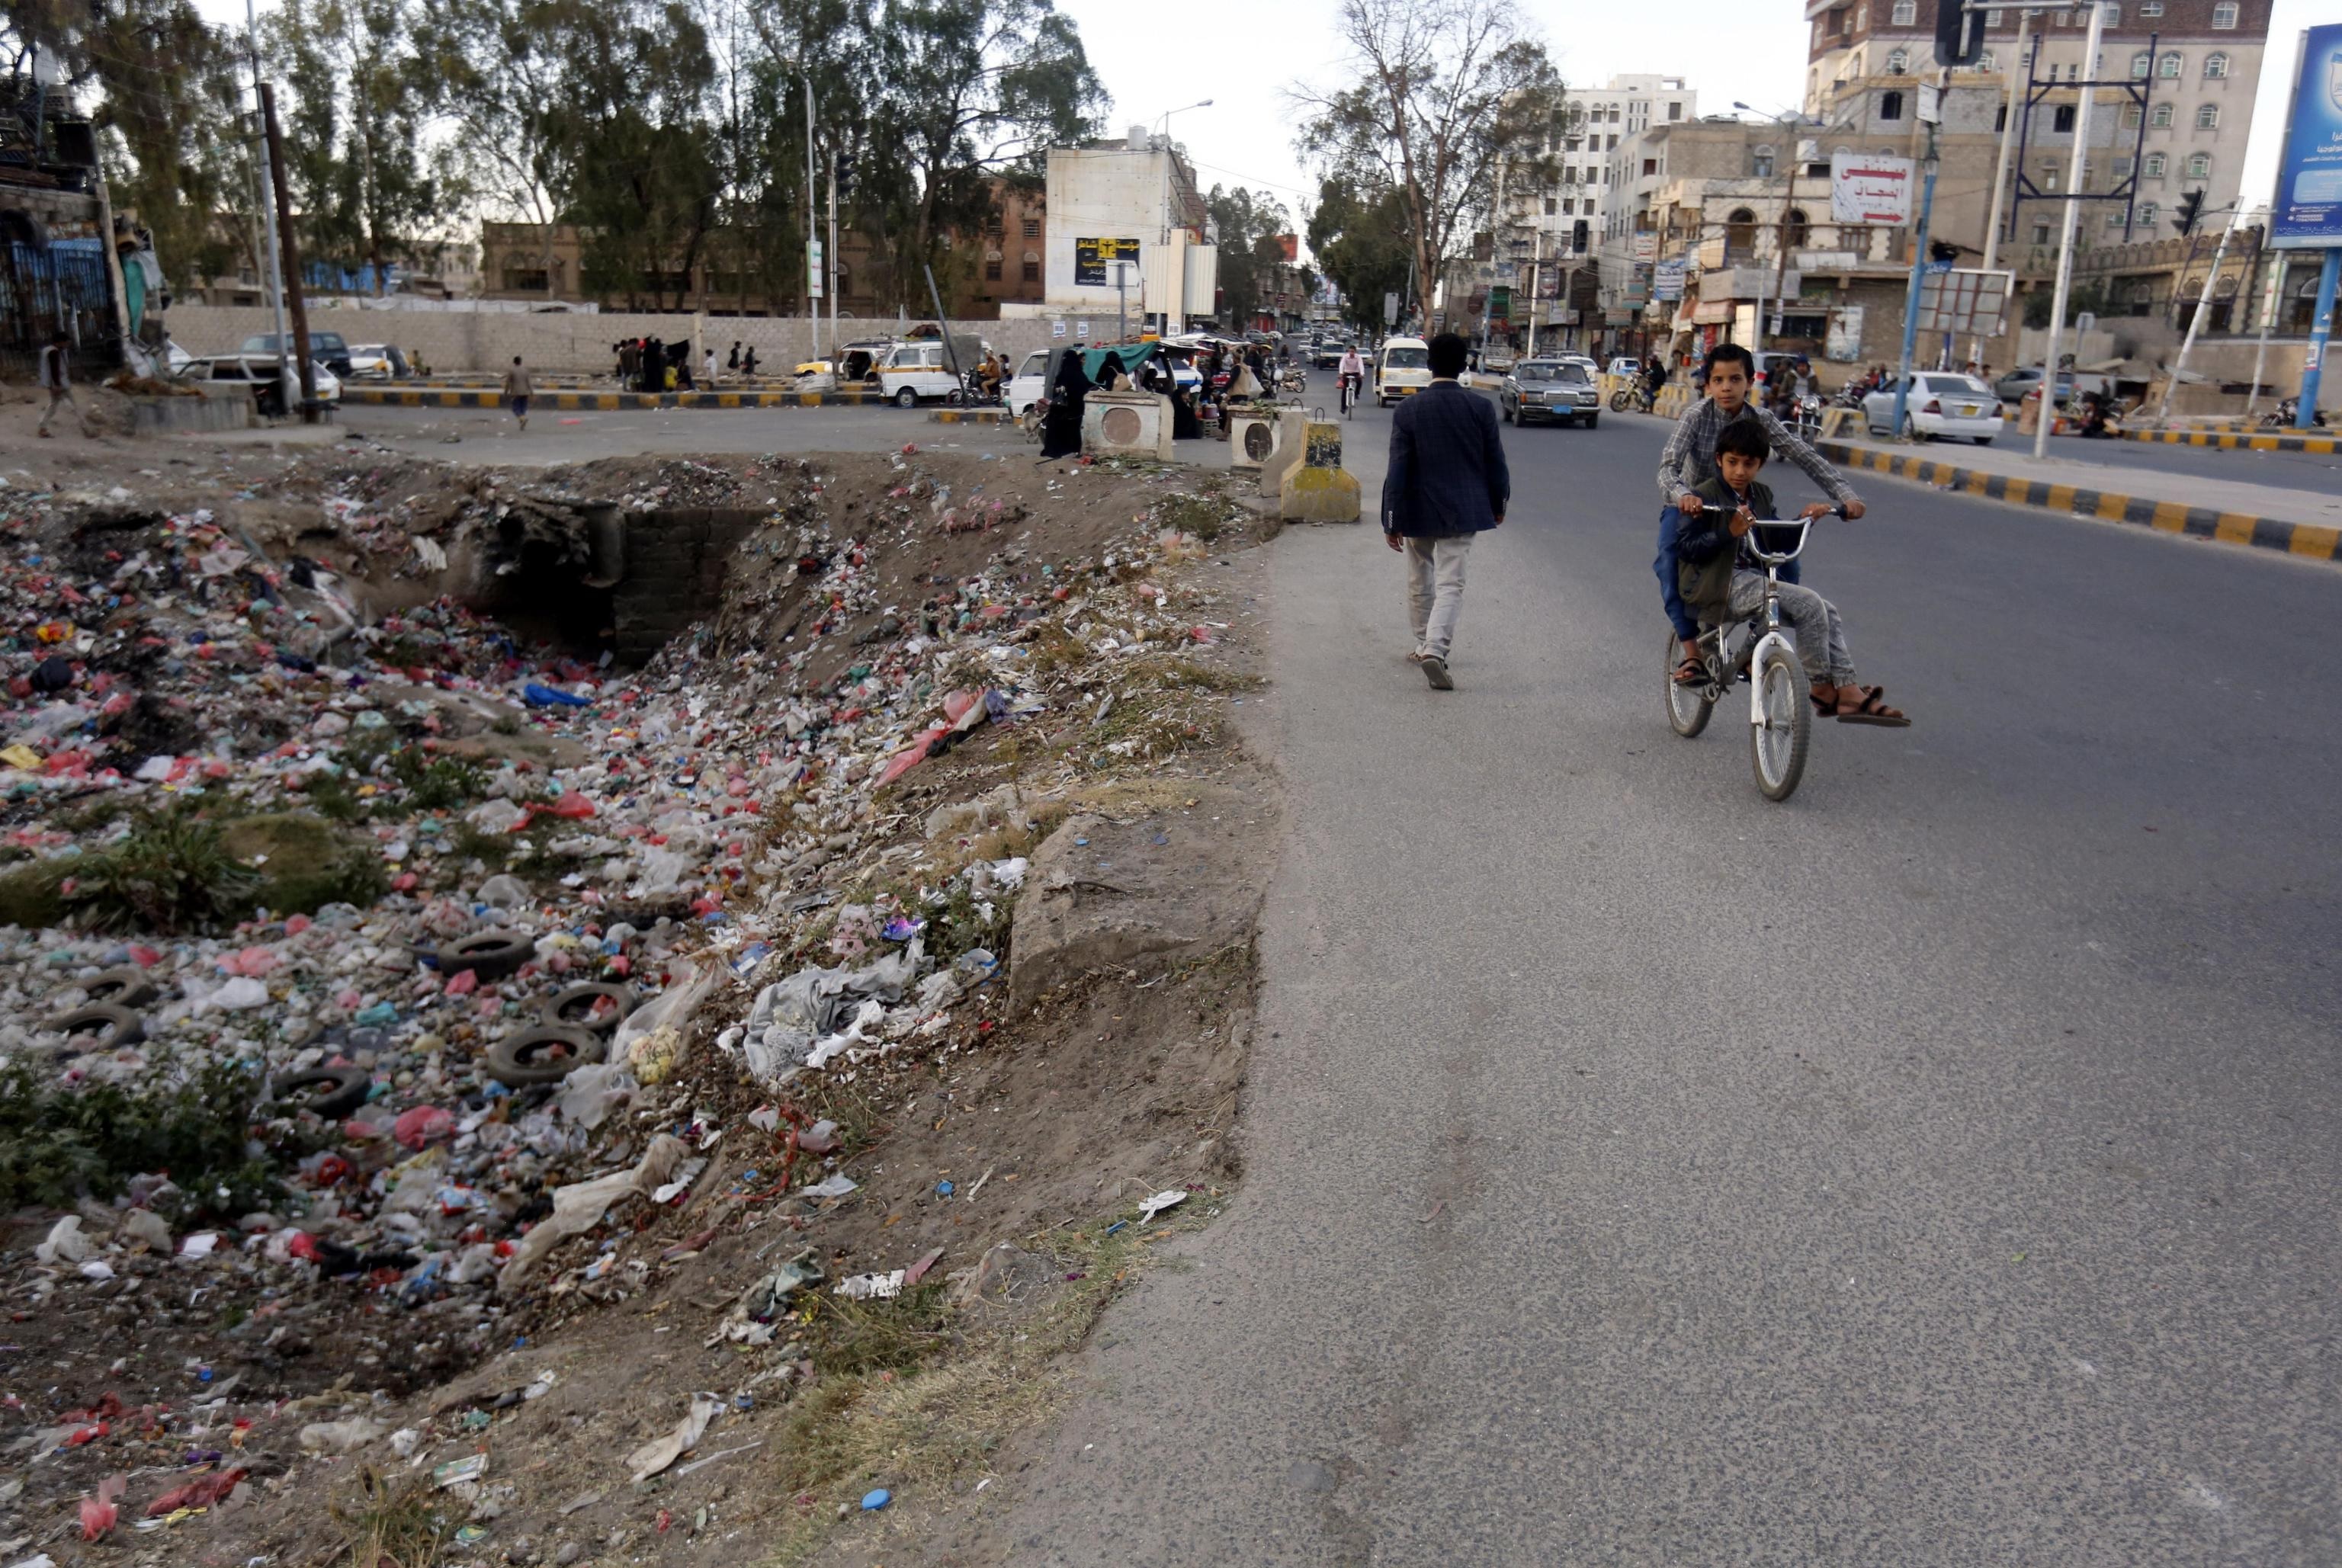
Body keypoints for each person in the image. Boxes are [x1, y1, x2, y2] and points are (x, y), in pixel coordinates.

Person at [1675, 418, 1908, 724]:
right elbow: (1686, 549)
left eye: (1749, 463)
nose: (1740, 471)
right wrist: (1727, 533)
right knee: (1809, 603)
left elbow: (1775, 542)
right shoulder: (1704, 495)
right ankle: (1822, 689)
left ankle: (1848, 690)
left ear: (1760, 464)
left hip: (1753, 583)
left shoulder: (1760, 495)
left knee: (1827, 610)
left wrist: (1806, 518)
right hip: (1716, 585)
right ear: (1719, 460)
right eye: (1732, 462)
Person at [1656, 343, 1864, 683]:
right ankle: (1691, 651)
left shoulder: (1762, 420)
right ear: (1707, 384)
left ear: (1750, 382)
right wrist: (1683, 496)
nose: (1727, 387)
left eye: (1735, 379)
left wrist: (1845, 495)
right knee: (1668, 560)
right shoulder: (1696, 417)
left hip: (1743, 507)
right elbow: (1668, 468)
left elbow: (1805, 457)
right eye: (1718, 380)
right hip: (1695, 509)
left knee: (1785, 561)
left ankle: (1757, 642)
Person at [1380, 332, 1509, 691]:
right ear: (1464, 364)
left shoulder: (1408, 410)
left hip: (1418, 508)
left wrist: (1391, 518)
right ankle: (1435, 648)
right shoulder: (1481, 408)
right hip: (1464, 508)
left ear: (1428, 364)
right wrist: (1498, 503)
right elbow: (1495, 462)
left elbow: (1398, 469)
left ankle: (1425, 645)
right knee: (1452, 583)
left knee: (1419, 576)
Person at [36, 332, 95, 439]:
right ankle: (87, 430)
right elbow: (55, 371)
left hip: (54, 384)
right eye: (66, 342)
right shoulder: (54, 352)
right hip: (59, 385)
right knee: (73, 407)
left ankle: (42, 427)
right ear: (60, 342)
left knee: (54, 406)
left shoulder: (49, 350)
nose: (67, 345)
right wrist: (57, 385)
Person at [1038, 346, 1092, 460]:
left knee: (1058, 430)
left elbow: (1056, 393)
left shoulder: (1062, 375)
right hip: (1076, 410)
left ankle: (1056, 451)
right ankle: (1073, 450)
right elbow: (1085, 389)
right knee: (1073, 431)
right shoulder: (1080, 375)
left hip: (1060, 410)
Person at [501, 354, 533, 431]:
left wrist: (505, 393)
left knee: (516, 408)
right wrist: (532, 392)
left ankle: (523, 419)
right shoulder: (526, 370)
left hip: (516, 393)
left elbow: (508, 383)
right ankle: (522, 423)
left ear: (514, 362)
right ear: (521, 362)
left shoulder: (511, 371)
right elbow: (529, 382)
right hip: (525, 393)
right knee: (523, 408)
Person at [1338, 343, 1365, 410]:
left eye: (1352, 351)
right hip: (1347, 372)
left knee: (1360, 382)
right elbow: (1342, 364)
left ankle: (1356, 394)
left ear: (1355, 352)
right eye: (1350, 351)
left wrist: (1362, 374)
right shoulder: (1345, 357)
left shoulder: (1358, 357)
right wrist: (1341, 373)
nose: (1351, 353)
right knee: (1344, 390)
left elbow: (1361, 365)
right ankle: (1343, 407)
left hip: (1355, 373)